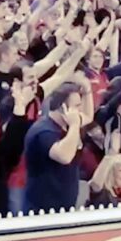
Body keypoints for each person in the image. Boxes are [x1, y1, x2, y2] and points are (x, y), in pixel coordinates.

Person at [22, 83, 85, 213]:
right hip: (42, 211)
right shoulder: (44, 131)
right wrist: (74, 126)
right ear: (63, 107)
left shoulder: (66, 128)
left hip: (65, 207)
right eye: (77, 106)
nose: (80, 111)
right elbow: (64, 156)